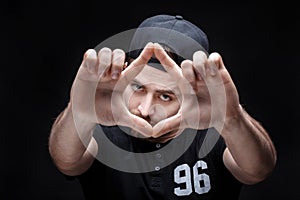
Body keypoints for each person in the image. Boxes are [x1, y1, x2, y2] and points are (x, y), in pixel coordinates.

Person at [48, 14, 277, 199]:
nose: (145, 110)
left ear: (195, 93)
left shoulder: (217, 133)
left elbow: (257, 170)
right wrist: (80, 114)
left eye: (165, 96)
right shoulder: (101, 128)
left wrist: (231, 120)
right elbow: (67, 162)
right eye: (138, 88)